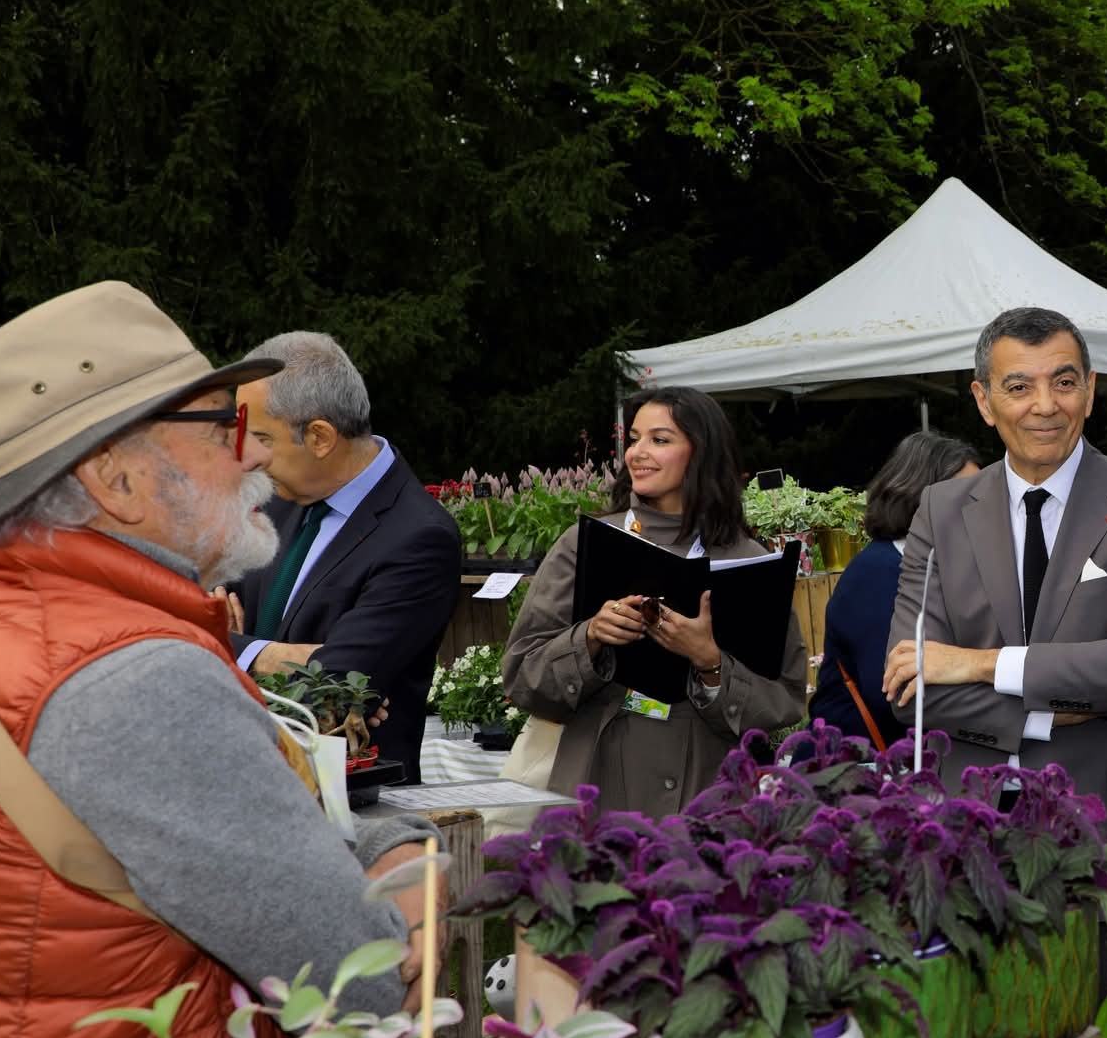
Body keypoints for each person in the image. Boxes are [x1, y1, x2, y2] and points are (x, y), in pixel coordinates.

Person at [0, 282, 438, 1038]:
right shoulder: (138, 676)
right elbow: (359, 980)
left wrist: (379, 834)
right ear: (115, 479)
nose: (255, 463)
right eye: (226, 429)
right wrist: (406, 872)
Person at [880, 306, 1107, 1038]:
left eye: (1063, 381)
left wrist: (979, 663)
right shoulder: (942, 511)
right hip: (969, 844)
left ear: (1091, 390)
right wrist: (1081, 685)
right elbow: (909, 685)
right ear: (984, 400)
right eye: (1018, 386)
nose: (1044, 404)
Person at [504, 386, 808, 815]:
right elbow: (522, 674)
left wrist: (710, 662)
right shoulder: (584, 544)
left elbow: (785, 699)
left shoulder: (748, 560)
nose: (637, 453)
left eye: (660, 440)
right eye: (634, 439)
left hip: (710, 796)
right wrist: (589, 637)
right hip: (599, 783)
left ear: (701, 453)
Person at [224, 332, 462, 781]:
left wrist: (236, 650)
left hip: (352, 813)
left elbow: (336, 687)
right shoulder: (275, 502)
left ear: (319, 437)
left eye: (259, 436)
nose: (246, 455)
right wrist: (269, 656)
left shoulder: (419, 538)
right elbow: (186, 618)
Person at [808, 431, 978, 748]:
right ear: (916, 495)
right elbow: (893, 692)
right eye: (964, 497)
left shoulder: (935, 565)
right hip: (854, 771)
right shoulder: (876, 573)